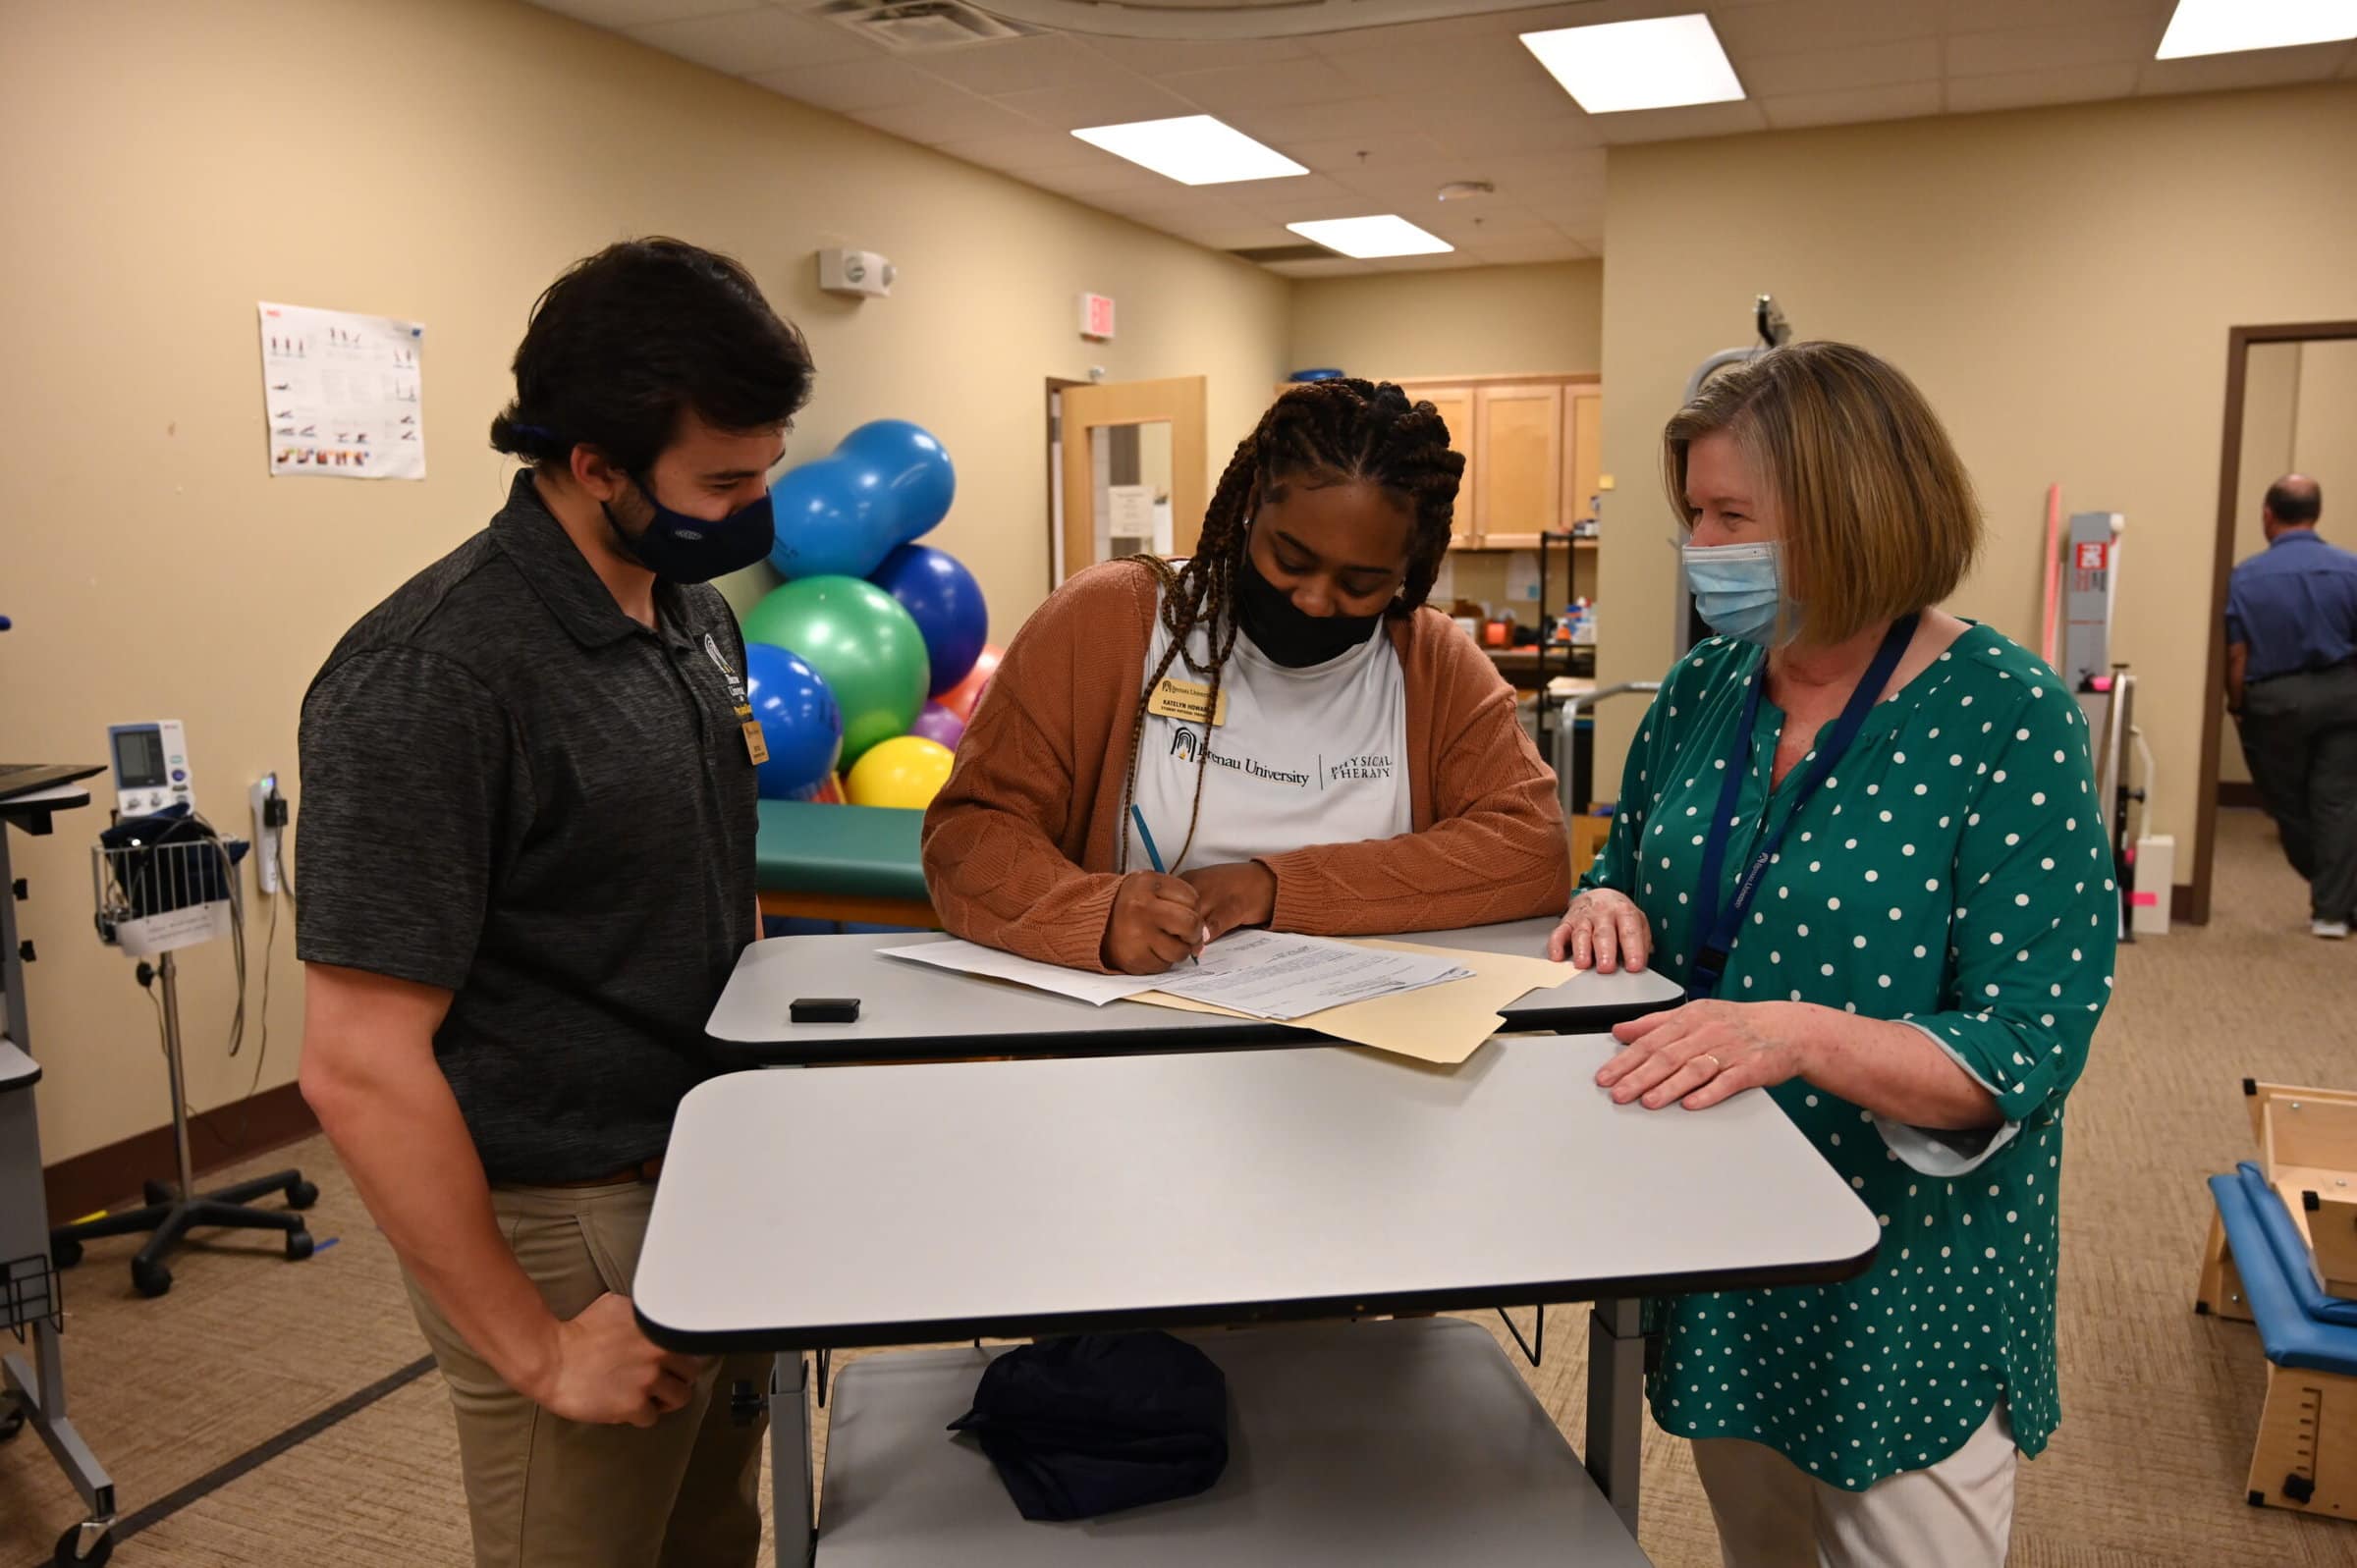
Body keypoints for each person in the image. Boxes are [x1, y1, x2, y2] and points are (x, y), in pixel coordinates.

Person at [1548, 343, 2114, 1568]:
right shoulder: (1707, 688)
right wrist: (1604, 907)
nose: (1702, 546)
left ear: (1851, 516)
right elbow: (1624, 862)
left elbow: (2029, 1042)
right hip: (1723, 1234)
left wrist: (1798, 1032)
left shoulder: (2008, 717)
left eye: (1731, 517)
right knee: (1761, 1545)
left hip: (1904, 1267)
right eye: (1692, 514)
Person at [296, 239, 812, 1568]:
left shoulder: (694, 614)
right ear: (594, 465)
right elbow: (357, 1062)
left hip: (702, 1168)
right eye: (725, 480)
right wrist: (536, 1345)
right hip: (561, 1212)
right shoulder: (433, 676)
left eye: (769, 469)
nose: (759, 504)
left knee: (714, 1539)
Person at [922, 378, 1569, 972]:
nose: (1315, 600)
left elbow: (1529, 851)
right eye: (1290, 558)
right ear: (1252, 503)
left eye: (1361, 582)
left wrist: (1271, 886)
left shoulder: (1433, 664)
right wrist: (1095, 912)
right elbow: (970, 834)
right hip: (1133, 1033)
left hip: (1363, 1041)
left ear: (1410, 568)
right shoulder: (1109, 620)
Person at [2223, 474, 2357, 938]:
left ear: (2267, 515)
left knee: (2287, 803)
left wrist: (2238, 706)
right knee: (2336, 802)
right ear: (2316, 513)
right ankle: (2334, 910)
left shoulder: (2244, 576)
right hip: (2344, 697)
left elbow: (2237, 655)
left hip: (2275, 705)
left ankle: (2332, 892)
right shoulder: (2351, 569)